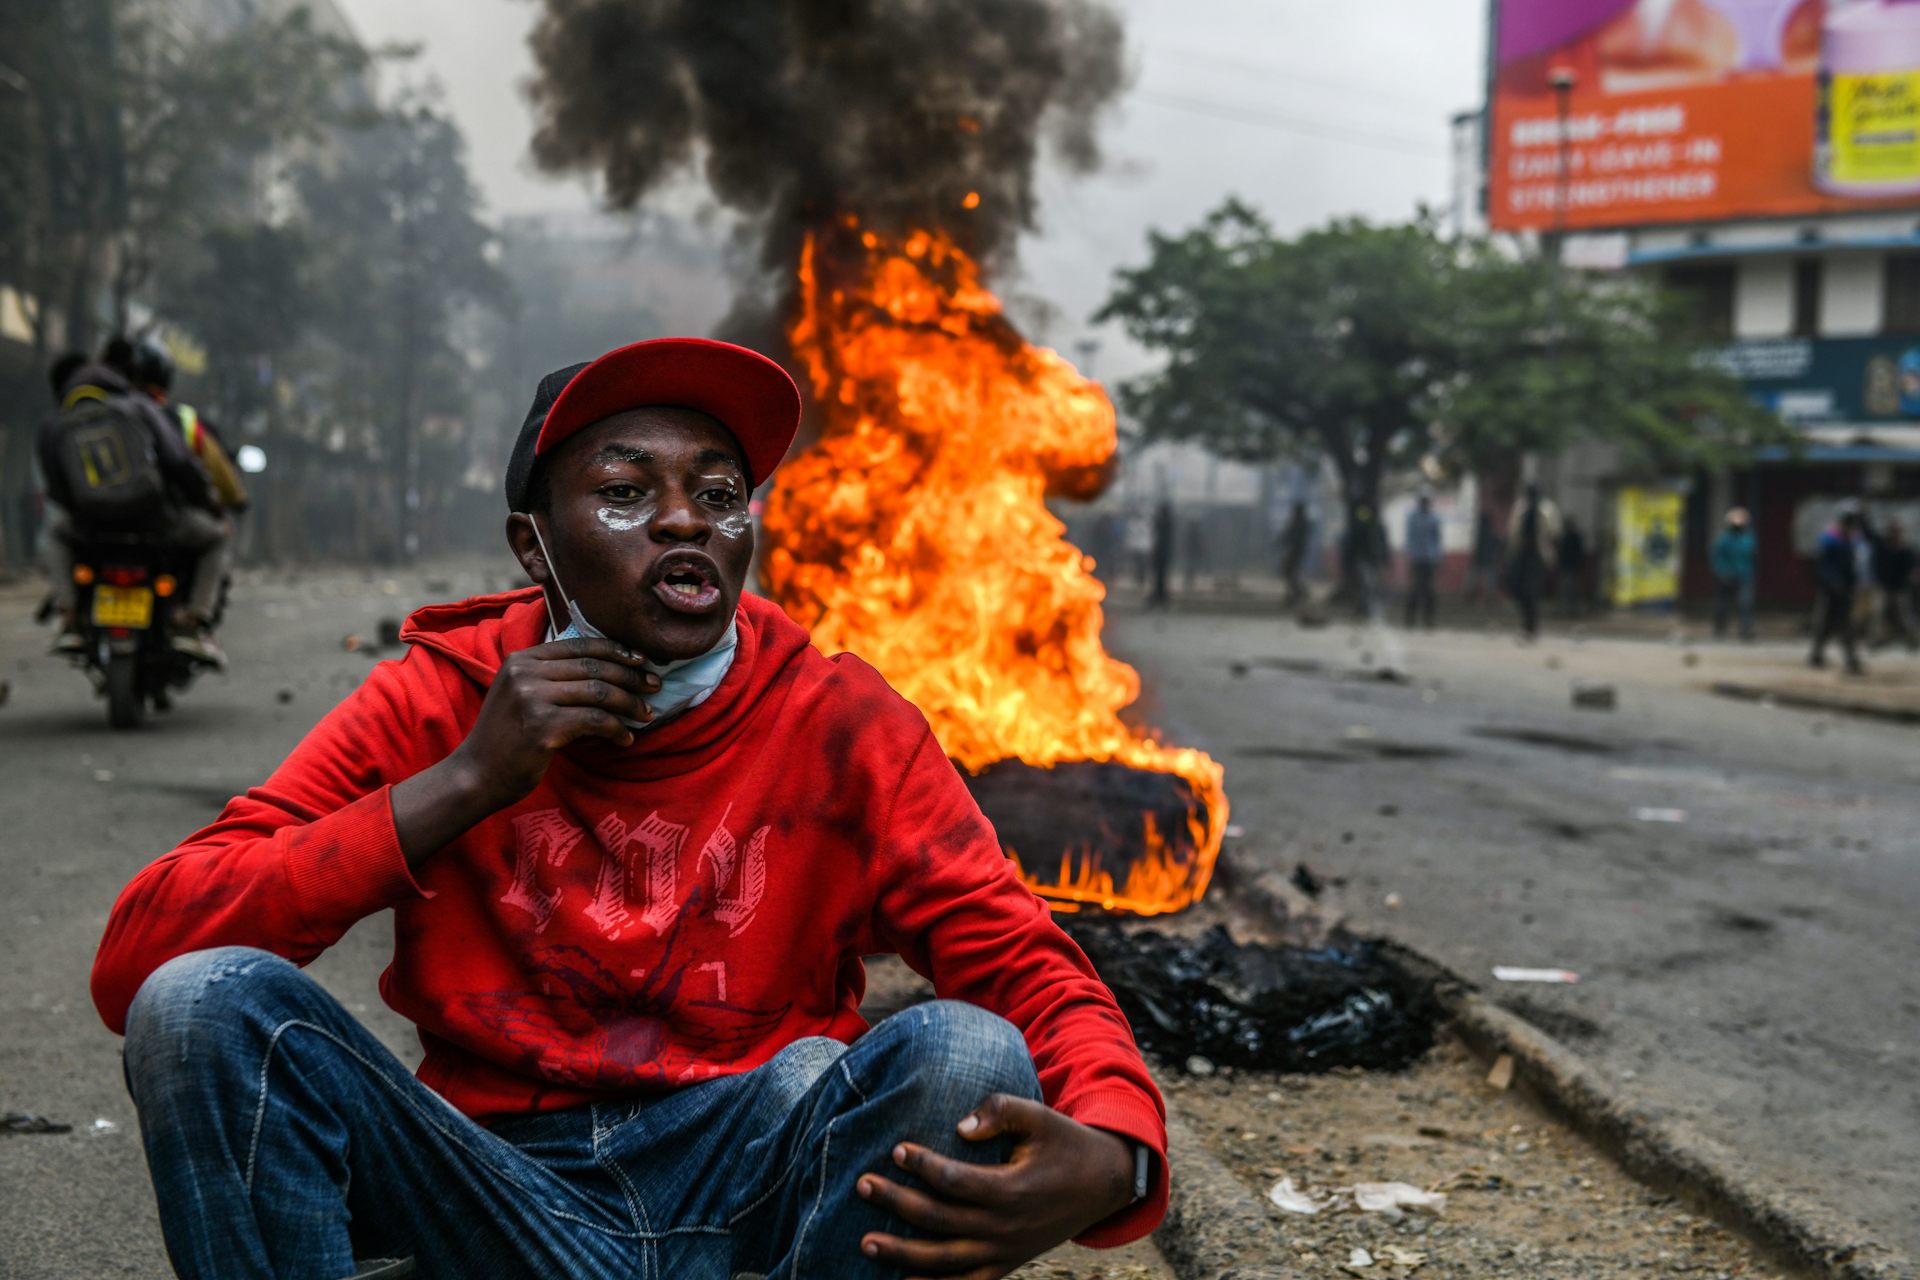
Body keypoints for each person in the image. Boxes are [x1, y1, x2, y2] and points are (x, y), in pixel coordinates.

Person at [90, 338, 1166, 1280]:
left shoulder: (842, 719)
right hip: (491, 1186)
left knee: (968, 1054)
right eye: (624, 491)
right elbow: (142, 958)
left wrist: (1121, 1148)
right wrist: (467, 779)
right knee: (201, 1001)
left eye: (718, 488)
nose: (684, 518)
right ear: (534, 545)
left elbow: (1019, 957)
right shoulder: (439, 696)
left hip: (756, 1176)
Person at [36, 349, 228, 666]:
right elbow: (179, 461)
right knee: (214, 538)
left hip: (92, 531)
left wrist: (87, 511)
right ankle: (194, 620)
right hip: (156, 524)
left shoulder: (57, 423)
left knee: (55, 535)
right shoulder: (139, 407)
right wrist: (208, 503)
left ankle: (69, 613)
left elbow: (57, 489)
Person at [1810, 504, 1866, 674]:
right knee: (1826, 624)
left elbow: (1853, 566)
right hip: (1831, 589)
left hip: (1845, 589)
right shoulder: (1830, 538)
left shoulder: (1852, 539)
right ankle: (1818, 655)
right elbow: (1823, 566)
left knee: (1846, 625)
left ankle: (1850, 659)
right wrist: (1832, 583)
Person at [1506, 483, 1562, 639]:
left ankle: (1531, 627)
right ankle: (1526, 624)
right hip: (1521, 554)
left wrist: (1551, 554)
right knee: (1517, 588)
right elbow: (1512, 531)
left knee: (1531, 591)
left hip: (1538, 556)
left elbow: (1554, 533)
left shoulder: (1547, 509)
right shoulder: (1520, 508)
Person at [1869, 517, 1917, 652]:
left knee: (1906, 615)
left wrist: (1913, 575)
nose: (1896, 534)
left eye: (1897, 531)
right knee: (1878, 613)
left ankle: (1913, 640)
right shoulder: (1883, 546)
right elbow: (1869, 534)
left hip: (1900, 588)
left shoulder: (1906, 550)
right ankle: (1877, 639)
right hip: (1884, 586)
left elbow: (1913, 567)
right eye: (1893, 531)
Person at [1710, 507, 1758, 641]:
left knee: (1744, 603)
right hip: (1725, 575)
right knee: (1722, 604)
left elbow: (1752, 555)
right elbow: (1718, 557)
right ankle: (1720, 627)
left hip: (1744, 574)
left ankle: (1745, 629)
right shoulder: (1724, 539)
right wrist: (1722, 572)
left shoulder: (1748, 538)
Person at [1402, 492, 1442, 630]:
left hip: (1430, 558)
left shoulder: (1434, 518)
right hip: (1417, 558)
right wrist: (1409, 557)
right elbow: (1409, 538)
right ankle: (1410, 618)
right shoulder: (1412, 517)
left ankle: (1429, 619)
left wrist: (1438, 558)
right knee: (1415, 589)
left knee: (1430, 590)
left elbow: (1437, 539)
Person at [1277, 499, 1310, 610]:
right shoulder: (1302, 523)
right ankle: (1297, 592)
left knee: (1288, 571)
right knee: (1290, 572)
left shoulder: (1299, 523)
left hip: (1296, 551)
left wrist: (1281, 541)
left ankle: (1298, 592)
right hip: (1297, 551)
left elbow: (1290, 535)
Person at [1466, 507, 1502, 607]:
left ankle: (1477, 598)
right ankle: (1486, 598)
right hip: (1487, 560)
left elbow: (1476, 547)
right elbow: (1497, 544)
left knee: (1476, 580)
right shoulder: (1490, 532)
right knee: (1488, 581)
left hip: (1480, 559)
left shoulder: (1479, 533)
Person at [1557, 516, 1589, 618]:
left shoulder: (1570, 537)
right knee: (1569, 589)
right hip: (1570, 567)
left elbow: (1575, 553)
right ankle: (1569, 609)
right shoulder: (1571, 537)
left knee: (1570, 589)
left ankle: (1570, 609)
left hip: (1570, 566)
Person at [1147, 497, 1174, 608]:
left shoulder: (1163, 521)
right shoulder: (1168, 521)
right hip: (1163, 552)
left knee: (1160, 575)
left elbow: (1156, 533)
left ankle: (1160, 594)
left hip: (1161, 552)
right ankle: (1160, 593)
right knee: (1160, 575)